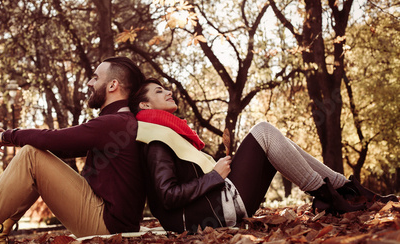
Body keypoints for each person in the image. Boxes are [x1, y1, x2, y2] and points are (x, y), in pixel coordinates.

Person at [0, 56, 147, 244]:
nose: (90, 82)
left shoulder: (115, 122)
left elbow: (55, 140)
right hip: (113, 222)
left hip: (107, 227)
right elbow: (62, 148)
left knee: (31, 155)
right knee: (36, 157)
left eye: (96, 78)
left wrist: (7, 135)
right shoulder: (120, 122)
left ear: (112, 86)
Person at [130, 79, 398, 234]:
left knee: (279, 144)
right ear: (145, 105)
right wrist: (213, 177)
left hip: (219, 205)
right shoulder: (157, 142)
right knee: (264, 131)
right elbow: (167, 196)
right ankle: (332, 195)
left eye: (166, 88)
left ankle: (347, 190)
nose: (168, 91)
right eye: (158, 91)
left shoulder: (169, 135)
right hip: (212, 213)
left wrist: (214, 176)